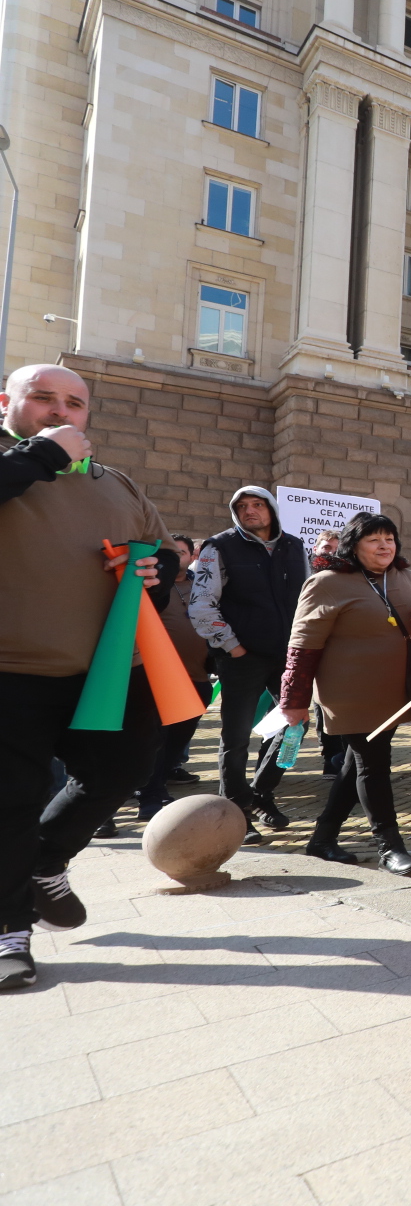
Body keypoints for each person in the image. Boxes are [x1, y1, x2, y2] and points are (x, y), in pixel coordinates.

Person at [0, 364, 176, 989]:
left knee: (121, 769)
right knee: (10, 802)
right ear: (8, 402)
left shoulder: (115, 482)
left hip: (107, 669)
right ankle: (9, 931)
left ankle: (47, 860)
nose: (59, 410)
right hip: (13, 672)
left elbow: (162, 550)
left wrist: (154, 576)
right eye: (42, 397)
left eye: (74, 402)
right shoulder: (15, 464)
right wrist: (40, 456)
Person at [276, 513, 411, 874]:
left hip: (395, 693)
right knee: (373, 764)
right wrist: (293, 701)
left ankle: (322, 838)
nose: (384, 545)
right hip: (350, 696)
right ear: (353, 545)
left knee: (355, 765)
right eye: (374, 539)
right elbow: (302, 648)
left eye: (389, 538)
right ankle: (390, 847)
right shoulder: (327, 583)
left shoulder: (407, 578)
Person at [190, 485, 308, 838]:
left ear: (271, 509)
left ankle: (261, 792)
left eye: (257, 504)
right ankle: (236, 808)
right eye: (242, 506)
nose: (250, 511)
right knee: (236, 736)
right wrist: (233, 646)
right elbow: (200, 605)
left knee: (295, 726)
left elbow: (306, 597)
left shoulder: (294, 546)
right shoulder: (218, 547)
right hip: (241, 657)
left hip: (288, 656)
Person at [128, 534, 213, 820]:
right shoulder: (151, 588)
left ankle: (158, 781)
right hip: (158, 678)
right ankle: (149, 791)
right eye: (172, 552)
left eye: (183, 552)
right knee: (156, 738)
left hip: (198, 676)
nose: (177, 556)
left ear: (192, 556)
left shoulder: (202, 585)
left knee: (178, 740)